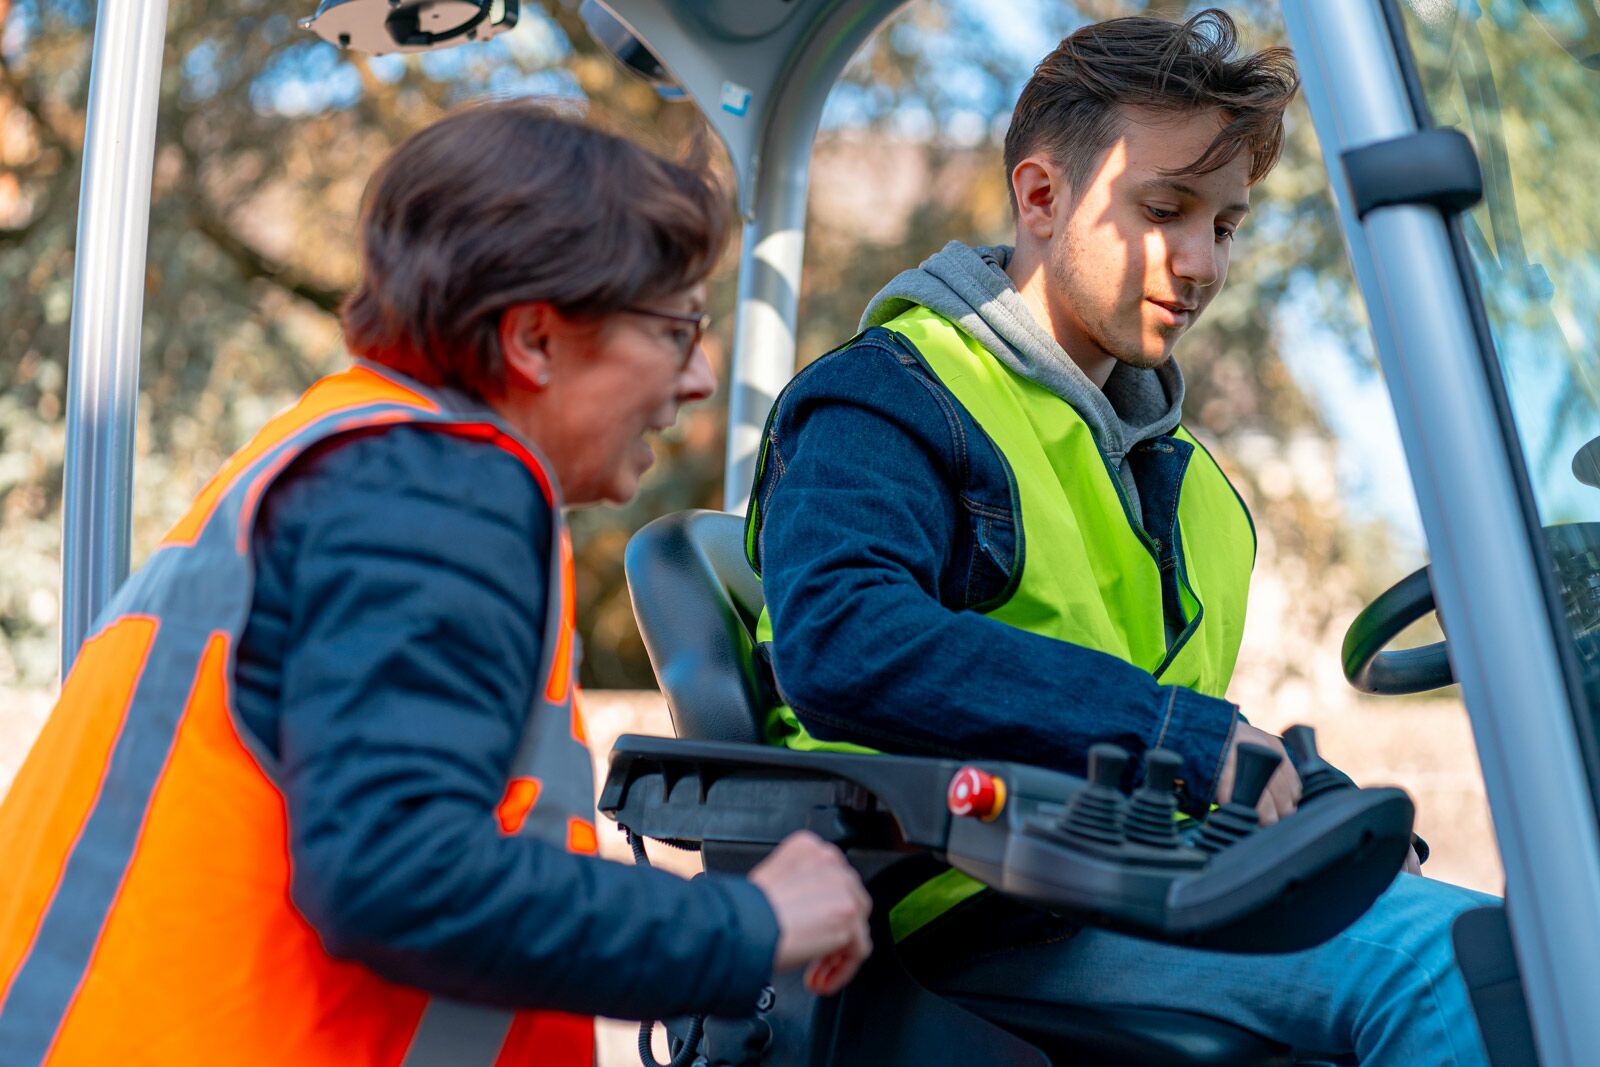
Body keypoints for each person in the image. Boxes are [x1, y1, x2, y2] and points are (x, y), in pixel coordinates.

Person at [0, 101, 871, 1065]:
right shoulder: (442, 488)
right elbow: (398, 873)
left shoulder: (350, 458)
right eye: (675, 329)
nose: (700, 377)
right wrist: (749, 923)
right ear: (535, 339)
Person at [747, 11, 1493, 1065]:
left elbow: (1167, 712)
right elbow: (842, 637)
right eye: (1164, 209)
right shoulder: (890, 399)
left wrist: (1290, 799)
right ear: (1042, 197)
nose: (1198, 264)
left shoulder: (1181, 479)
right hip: (972, 911)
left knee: (1512, 944)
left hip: (1147, 880)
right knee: (1450, 966)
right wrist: (1182, 734)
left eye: (1225, 226)